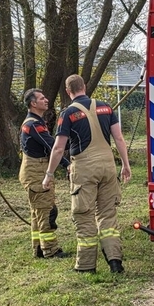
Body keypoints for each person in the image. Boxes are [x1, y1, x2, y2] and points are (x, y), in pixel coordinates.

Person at [42, 74, 131, 274]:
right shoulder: (106, 107)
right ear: (85, 86)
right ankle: (115, 262)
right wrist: (125, 165)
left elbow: (58, 149)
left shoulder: (68, 113)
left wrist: (49, 174)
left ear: (68, 91)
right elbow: (119, 138)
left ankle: (86, 265)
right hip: (108, 167)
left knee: (84, 215)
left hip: (84, 169)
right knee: (108, 215)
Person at [19, 88, 69, 259]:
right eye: (42, 98)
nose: (46, 100)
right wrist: (67, 165)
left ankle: (39, 248)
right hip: (36, 172)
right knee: (47, 211)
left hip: (32, 170)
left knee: (37, 212)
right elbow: (53, 147)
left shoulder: (34, 122)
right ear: (33, 103)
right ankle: (50, 250)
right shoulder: (33, 125)